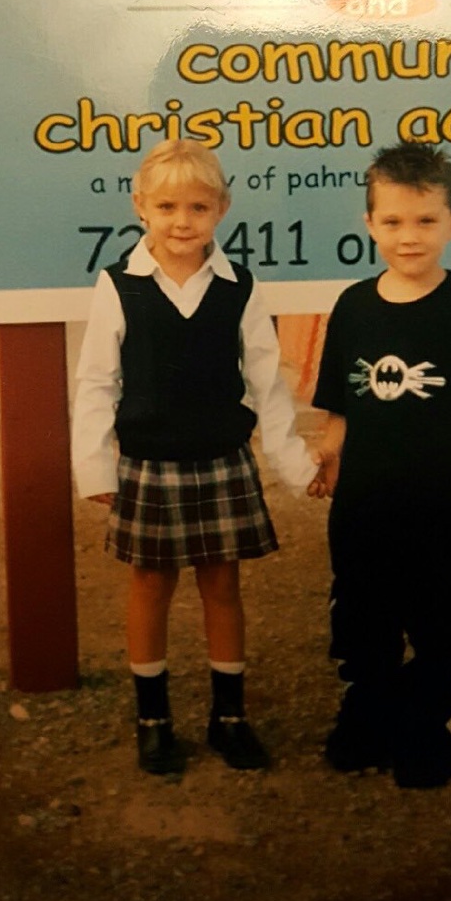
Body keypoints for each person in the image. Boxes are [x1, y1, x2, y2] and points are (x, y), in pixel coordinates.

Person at [72, 139, 316, 776]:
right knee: (150, 585)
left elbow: (266, 382)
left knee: (223, 586)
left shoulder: (239, 288)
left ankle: (229, 717)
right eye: (167, 207)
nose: (182, 221)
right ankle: (153, 720)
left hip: (220, 461)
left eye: (198, 207)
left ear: (222, 209)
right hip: (148, 466)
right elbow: (96, 381)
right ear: (140, 206)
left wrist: (295, 464)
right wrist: (94, 466)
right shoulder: (120, 286)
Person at [308, 141, 451, 789]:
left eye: (426, 220)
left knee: (442, 615)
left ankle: (440, 712)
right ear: (369, 224)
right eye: (393, 221)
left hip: (446, 504)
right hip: (365, 505)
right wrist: (329, 453)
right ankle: (369, 704)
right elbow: (342, 403)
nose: (409, 236)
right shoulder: (352, 307)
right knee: (361, 610)